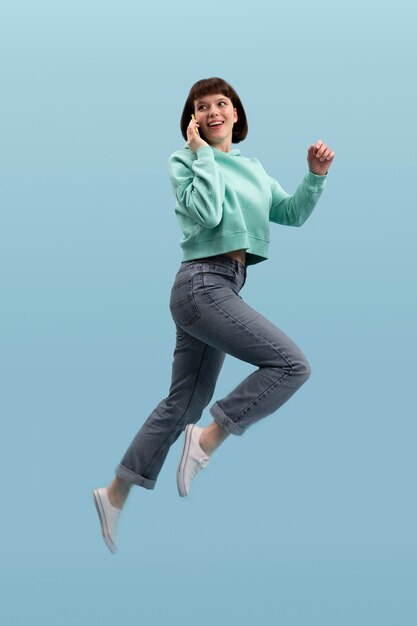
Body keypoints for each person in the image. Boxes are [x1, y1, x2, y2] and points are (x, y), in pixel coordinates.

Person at [92, 76, 335, 554]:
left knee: (181, 404)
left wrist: (314, 176)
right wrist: (202, 154)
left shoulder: (254, 169)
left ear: (236, 115)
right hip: (202, 284)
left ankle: (114, 492)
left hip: (220, 287)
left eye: (221, 103)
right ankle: (208, 439)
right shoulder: (184, 161)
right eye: (201, 107)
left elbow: (289, 212)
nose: (213, 111)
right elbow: (205, 213)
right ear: (193, 122)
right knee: (291, 365)